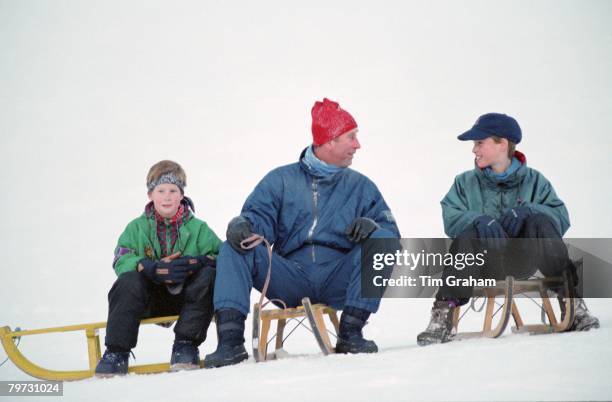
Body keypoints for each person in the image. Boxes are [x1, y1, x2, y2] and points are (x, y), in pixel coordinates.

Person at [204, 98, 401, 368]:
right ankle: (230, 343)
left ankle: (352, 332)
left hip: (338, 276)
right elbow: (257, 220)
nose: (358, 145)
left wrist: (374, 227)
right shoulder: (281, 180)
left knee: (384, 242)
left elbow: (391, 234)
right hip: (289, 277)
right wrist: (243, 225)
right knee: (234, 247)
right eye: (351, 137)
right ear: (329, 140)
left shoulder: (361, 186)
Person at [417, 113, 600, 346]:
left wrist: (530, 210)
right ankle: (442, 315)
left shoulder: (535, 181)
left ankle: (572, 303)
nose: (474, 150)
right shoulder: (464, 182)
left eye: (479, 143)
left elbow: (560, 217)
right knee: (467, 234)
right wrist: (477, 219)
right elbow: (450, 217)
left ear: (502, 144)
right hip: (483, 263)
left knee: (540, 222)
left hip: (522, 259)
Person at [95, 160, 221, 377]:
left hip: (186, 300)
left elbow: (220, 256)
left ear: (181, 195)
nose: (167, 196)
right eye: (161, 190)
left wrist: (196, 263)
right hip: (150, 298)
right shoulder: (136, 228)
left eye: (173, 190)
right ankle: (116, 353)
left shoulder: (199, 228)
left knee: (209, 276)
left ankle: (185, 346)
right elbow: (120, 258)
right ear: (150, 195)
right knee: (127, 282)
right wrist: (145, 266)